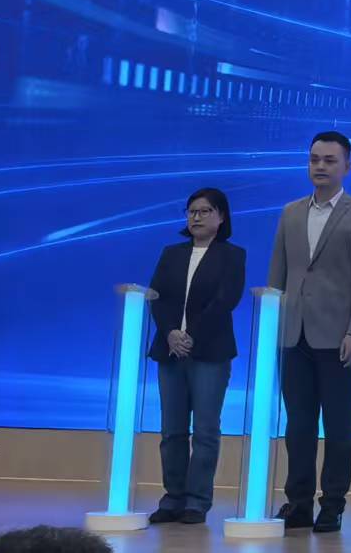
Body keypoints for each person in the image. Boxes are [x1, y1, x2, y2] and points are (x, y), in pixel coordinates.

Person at [269, 130, 351, 533]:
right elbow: (278, 273)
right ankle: (298, 503)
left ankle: (332, 505)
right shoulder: (290, 212)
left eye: (329, 160)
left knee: (338, 426)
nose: (320, 166)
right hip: (293, 334)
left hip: (338, 337)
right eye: (314, 159)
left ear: (347, 166)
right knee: (297, 425)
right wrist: (274, 327)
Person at [146, 188, 246, 525]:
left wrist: (191, 336)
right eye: (191, 211)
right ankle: (173, 497)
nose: (196, 217)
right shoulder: (171, 253)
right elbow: (156, 297)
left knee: (205, 430)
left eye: (205, 211)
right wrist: (171, 333)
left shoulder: (233, 255)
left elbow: (226, 300)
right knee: (172, 430)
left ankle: (197, 500)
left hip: (210, 352)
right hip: (170, 351)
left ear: (221, 217)